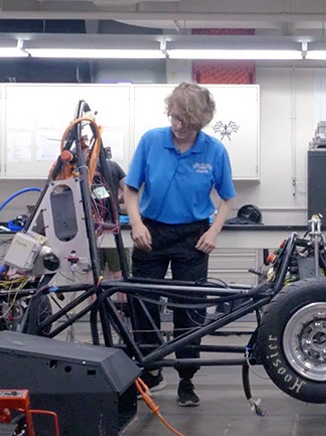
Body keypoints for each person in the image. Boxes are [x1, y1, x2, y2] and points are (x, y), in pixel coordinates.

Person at [124, 82, 235, 407]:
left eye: (186, 122)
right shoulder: (151, 141)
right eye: (174, 118)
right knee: (143, 303)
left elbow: (227, 199)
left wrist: (213, 231)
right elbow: (131, 189)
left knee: (190, 308)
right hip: (152, 233)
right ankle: (151, 369)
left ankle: (187, 378)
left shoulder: (214, 151)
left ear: (200, 122)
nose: (178, 127)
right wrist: (137, 223)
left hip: (192, 236)